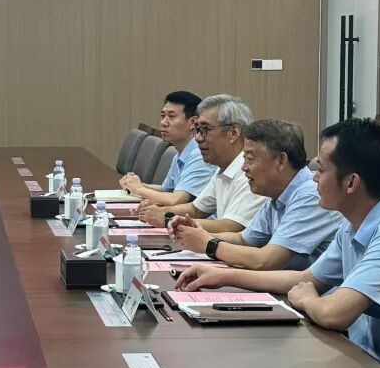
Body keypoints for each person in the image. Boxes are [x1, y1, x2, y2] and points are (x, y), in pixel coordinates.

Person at [174, 119, 380, 368]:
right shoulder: (354, 224)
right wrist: (222, 276)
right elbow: (304, 278)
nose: (313, 178)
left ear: (351, 183)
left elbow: (333, 313)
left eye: (321, 170)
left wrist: (306, 300)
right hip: (370, 362)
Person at [168, 119, 341, 270]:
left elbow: (266, 261)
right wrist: (196, 232)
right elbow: (244, 239)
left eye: (250, 159)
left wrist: (209, 244)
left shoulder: (310, 195)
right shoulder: (277, 194)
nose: (244, 167)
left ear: (280, 161)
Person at [139, 94, 265, 232]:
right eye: (198, 130)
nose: (198, 138)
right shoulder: (223, 167)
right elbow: (197, 210)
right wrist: (158, 211)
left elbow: (232, 227)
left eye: (205, 130)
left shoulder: (250, 172)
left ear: (233, 133)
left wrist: (167, 219)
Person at [119, 91, 216, 206]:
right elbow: (166, 190)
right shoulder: (181, 153)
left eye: (171, 116)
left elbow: (175, 199)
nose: (163, 122)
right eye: (163, 116)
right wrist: (133, 184)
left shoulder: (200, 155)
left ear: (193, 123)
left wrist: (139, 189)